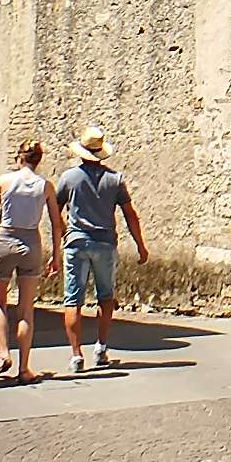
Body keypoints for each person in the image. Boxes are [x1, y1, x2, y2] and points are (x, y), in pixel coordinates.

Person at [55, 125, 147, 373]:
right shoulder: (115, 180)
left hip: (76, 242)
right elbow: (130, 214)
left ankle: (76, 355)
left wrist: (63, 233)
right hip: (105, 243)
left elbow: (55, 209)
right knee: (105, 297)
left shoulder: (69, 178)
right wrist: (140, 245)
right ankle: (101, 347)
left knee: (72, 300)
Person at [0, 138, 62, 381]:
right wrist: (56, 255)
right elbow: (57, 224)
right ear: (39, 160)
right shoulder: (46, 186)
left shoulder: (4, 181)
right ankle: (24, 368)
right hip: (31, 243)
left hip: (6, 237)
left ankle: (3, 352)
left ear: (19, 157)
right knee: (26, 309)